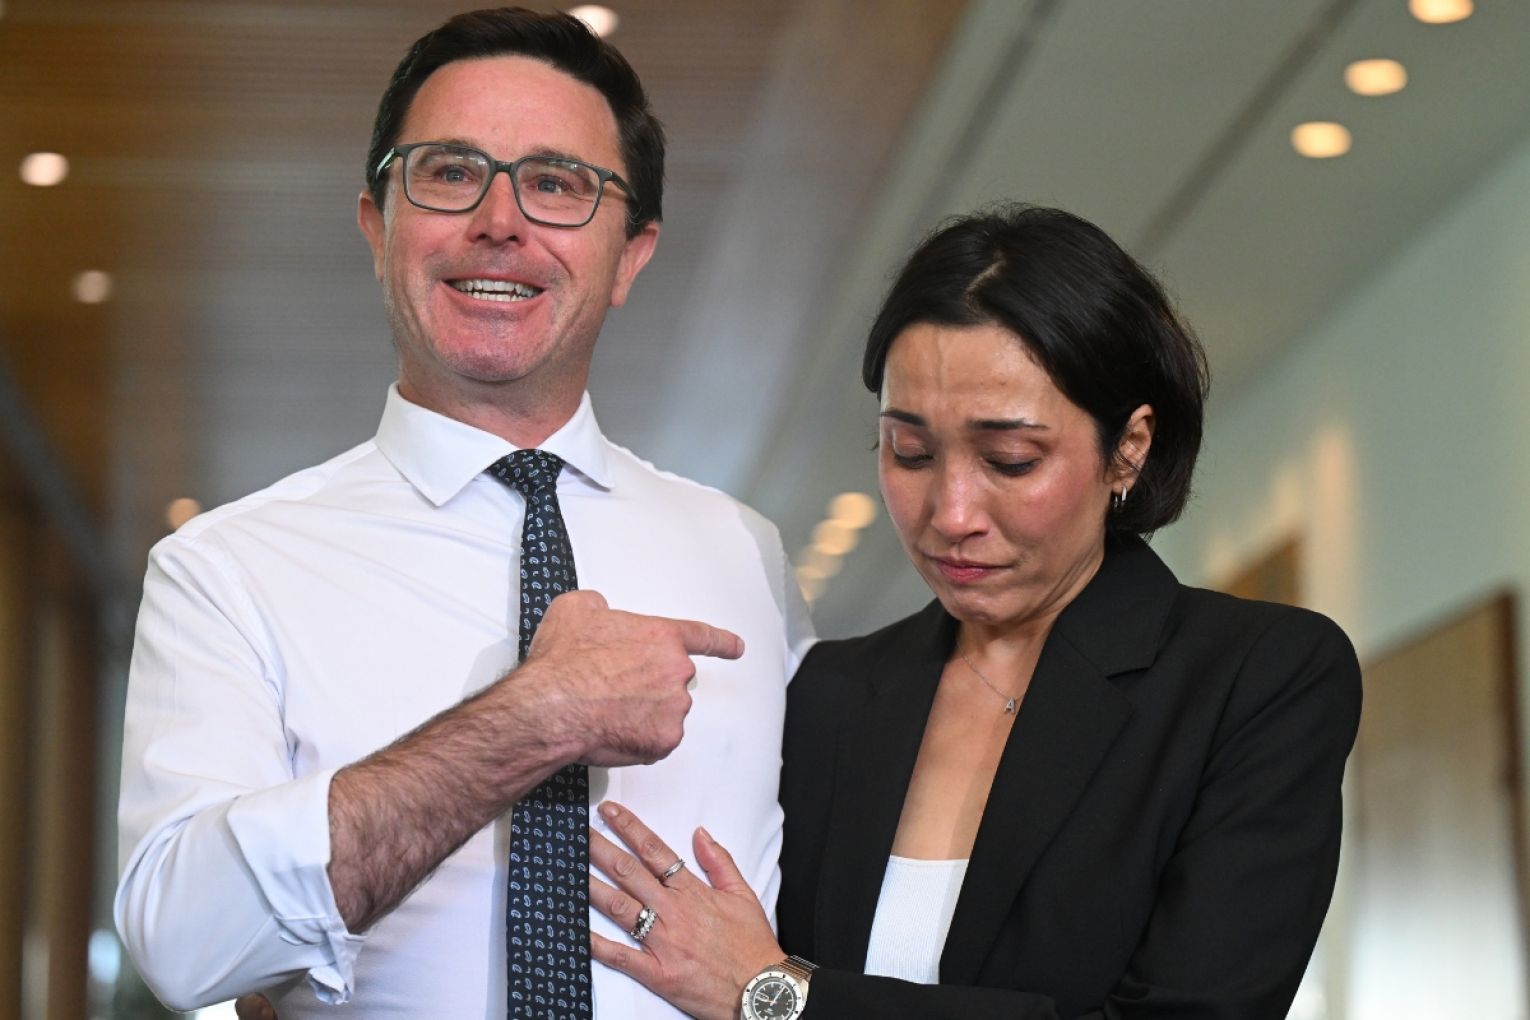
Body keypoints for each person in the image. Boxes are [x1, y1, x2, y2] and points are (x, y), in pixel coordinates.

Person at [114, 8, 811, 1018]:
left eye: (558, 185)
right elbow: (184, 948)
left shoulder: (742, 554)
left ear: (631, 255)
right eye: (449, 172)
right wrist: (534, 717)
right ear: (376, 224)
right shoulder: (226, 569)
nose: (499, 220)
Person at [585, 204, 1362, 1020]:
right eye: (910, 452)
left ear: (1128, 447)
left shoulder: (1255, 678)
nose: (951, 513)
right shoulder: (835, 691)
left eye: (1010, 460)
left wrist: (776, 996)